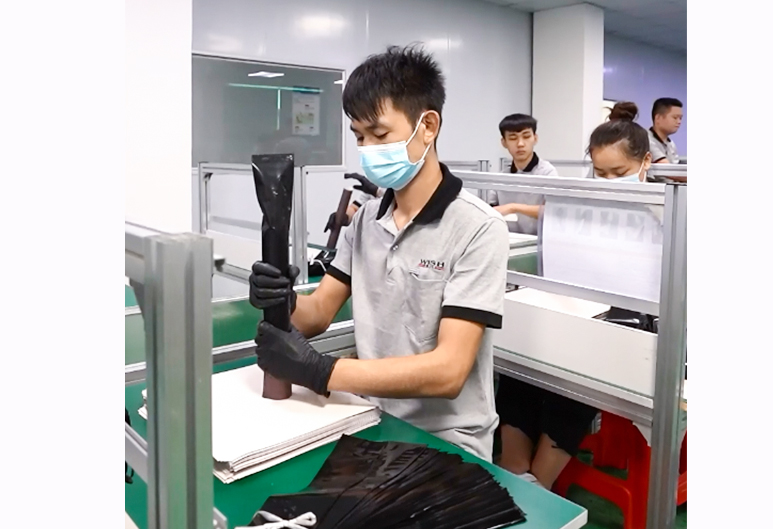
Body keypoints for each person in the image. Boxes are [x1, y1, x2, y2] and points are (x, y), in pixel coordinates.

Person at [249, 44, 509, 462]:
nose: (368, 148)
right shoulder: (366, 221)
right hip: (371, 420)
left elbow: (449, 371)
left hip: (447, 443)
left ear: (428, 126)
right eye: (359, 137)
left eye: (380, 134)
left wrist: (322, 371)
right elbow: (317, 315)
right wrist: (282, 298)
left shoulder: (478, 228)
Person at [494, 101, 652, 490]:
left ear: (645, 162)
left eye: (619, 173)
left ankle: (539, 482)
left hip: (630, 327)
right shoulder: (582, 200)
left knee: (577, 377)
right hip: (577, 310)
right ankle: (514, 468)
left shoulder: (667, 211)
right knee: (523, 365)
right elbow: (557, 227)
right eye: (600, 172)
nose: (608, 181)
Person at [487, 114, 559, 236]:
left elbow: (553, 211)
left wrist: (514, 207)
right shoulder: (501, 177)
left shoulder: (547, 172)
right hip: (509, 240)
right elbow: (491, 210)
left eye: (526, 136)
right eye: (513, 138)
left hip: (538, 241)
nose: (520, 144)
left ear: (535, 138)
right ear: (504, 142)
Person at [648, 97, 686, 183]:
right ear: (658, 118)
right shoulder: (646, 139)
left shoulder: (671, 144)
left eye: (680, 118)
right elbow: (669, 171)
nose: (679, 122)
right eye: (675, 118)